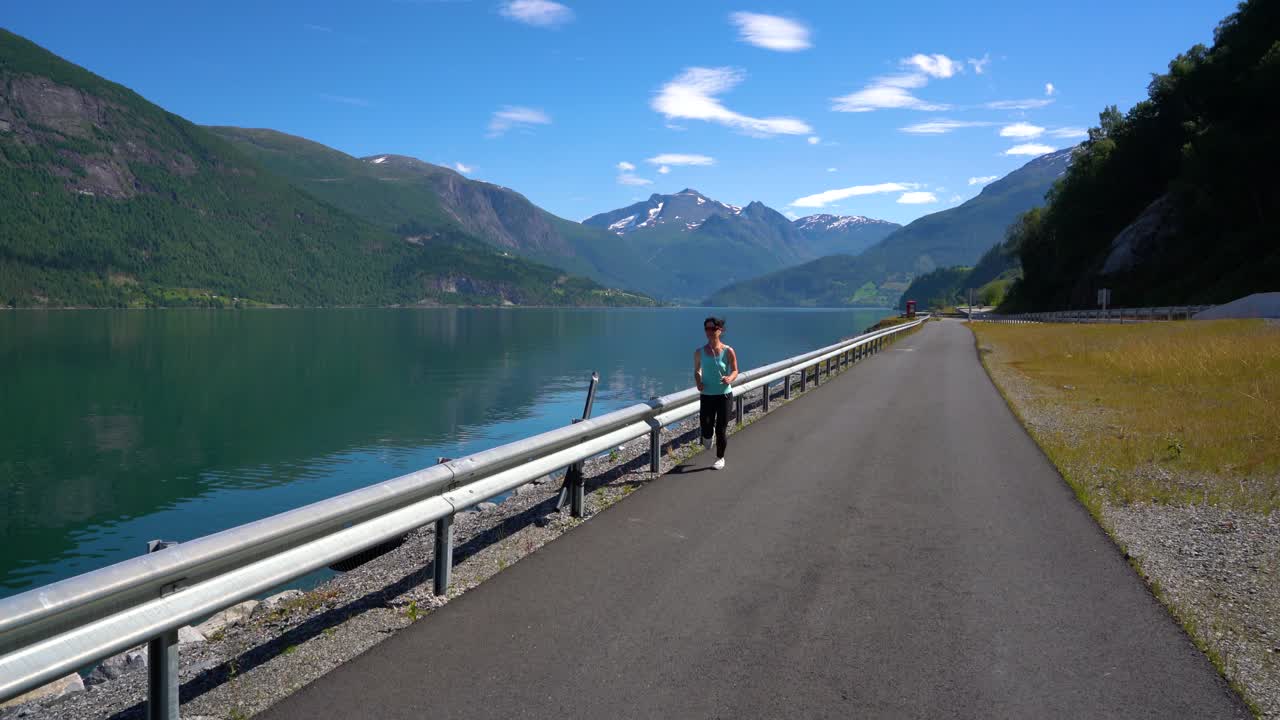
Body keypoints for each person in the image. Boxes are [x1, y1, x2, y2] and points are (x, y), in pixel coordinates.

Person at [694, 316, 738, 470]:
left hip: (724, 395)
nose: (710, 332)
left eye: (713, 328)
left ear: (720, 330)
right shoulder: (699, 352)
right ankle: (707, 435)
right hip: (707, 395)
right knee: (706, 426)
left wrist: (730, 378)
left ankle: (720, 458)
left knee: (721, 428)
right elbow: (697, 370)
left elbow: (735, 370)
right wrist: (698, 381)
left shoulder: (728, 351)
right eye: (707, 328)